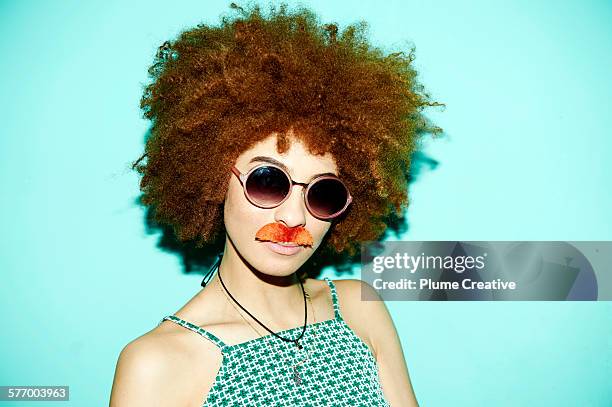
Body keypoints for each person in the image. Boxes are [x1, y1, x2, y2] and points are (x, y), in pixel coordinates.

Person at [110, 3, 441, 406]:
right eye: (268, 182)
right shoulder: (158, 363)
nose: (293, 216)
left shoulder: (359, 311)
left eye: (323, 193)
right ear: (213, 177)